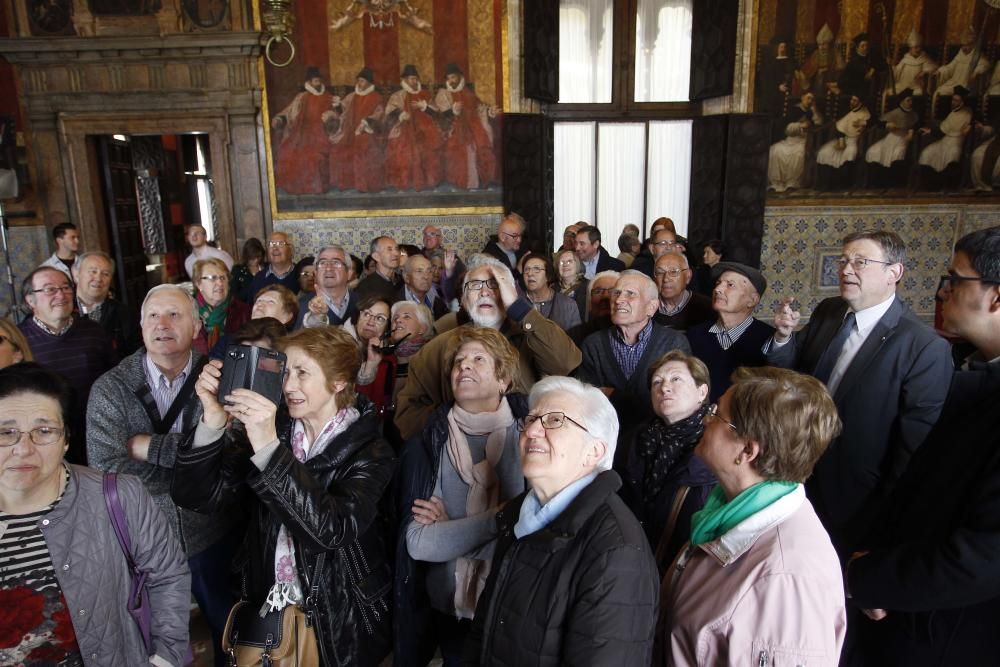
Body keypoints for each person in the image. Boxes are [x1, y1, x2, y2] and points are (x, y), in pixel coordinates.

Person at [172, 326, 396, 666]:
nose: (288, 386)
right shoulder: (273, 430)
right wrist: (212, 421)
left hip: (339, 615)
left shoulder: (371, 450)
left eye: (303, 373)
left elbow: (330, 531)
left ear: (338, 382)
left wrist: (267, 448)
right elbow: (198, 497)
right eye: (286, 371)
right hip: (270, 605)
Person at [846, 226, 1000, 665]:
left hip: (946, 633)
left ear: (996, 297)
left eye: (955, 279)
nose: (942, 291)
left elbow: (985, 554)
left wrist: (872, 577)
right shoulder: (977, 374)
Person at [767, 230, 952, 554]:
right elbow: (794, 369)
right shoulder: (829, 311)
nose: (846, 270)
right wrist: (783, 338)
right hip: (794, 478)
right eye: (844, 261)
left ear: (894, 272)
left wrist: (887, 529)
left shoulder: (923, 346)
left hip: (856, 503)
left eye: (860, 262)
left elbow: (912, 452)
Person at [0, 363, 191, 666]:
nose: (23, 448)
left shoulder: (119, 496)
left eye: (44, 431)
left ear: (66, 440)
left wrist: (165, 658)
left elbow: (167, 576)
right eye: (6, 432)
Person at [465, 376, 659, 664]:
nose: (531, 430)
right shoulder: (519, 515)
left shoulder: (617, 552)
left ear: (594, 452)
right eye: (531, 419)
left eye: (554, 420)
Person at [87, 284, 233, 666]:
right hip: (143, 538)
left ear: (197, 326)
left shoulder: (220, 380)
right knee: (155, 643)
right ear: (140, 325)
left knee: (228, 631)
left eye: (175, 315)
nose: (162, 324)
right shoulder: (110, 389)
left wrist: (148, 448)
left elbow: (230, 454)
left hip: (210, 533)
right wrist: (197, 454)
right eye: (153, 315)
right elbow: (109, 471)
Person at [664, 367, 846, 666]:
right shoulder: (728, 510)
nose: (705, 419)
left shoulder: (785, 582)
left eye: (715, 414)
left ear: (747, 449)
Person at [395, 327, 527, 666]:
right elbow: (420, 544)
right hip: (447, 607)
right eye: (458, 361)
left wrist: (450, 529)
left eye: (478, 359)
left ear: (503, 380)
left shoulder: (531, 434)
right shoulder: (428, 443)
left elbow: (530, 534)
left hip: (514, 604)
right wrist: (503, 516)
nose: (464, 367)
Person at [394, 254, 581, 440]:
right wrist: (457, 415)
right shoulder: (435, 349)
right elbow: (407, 417)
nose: (485, 292)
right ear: (465, 301)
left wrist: (520, 309)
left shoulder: (532, 337)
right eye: (475, 285)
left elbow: (565, 362)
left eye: (495, 285)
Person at [621, 351, 714, 570]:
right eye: (656, 382)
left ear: (702, 392)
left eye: (676, 379)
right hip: (633, 558)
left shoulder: (714, 445)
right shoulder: (634, 439)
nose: (664, 388)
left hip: (685, 566)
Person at [19, 267, 117, 464]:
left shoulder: (94, 331)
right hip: (45, 443)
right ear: (30, 300)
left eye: (65, 287)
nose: (61, 294)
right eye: (50, 290)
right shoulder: (20, 340)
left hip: (96, 434)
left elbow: (115, 379)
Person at [578, 271, 690, 441]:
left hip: (660, 443)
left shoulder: (674, 343)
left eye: (630, 294)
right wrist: (647, 399)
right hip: (607, 442)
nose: (618, 299)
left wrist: (615, 396)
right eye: (616, 293)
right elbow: (588, 403)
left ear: (651, 307)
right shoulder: (593, 345)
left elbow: (679, 405)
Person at [686, 262, 775, 401]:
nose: (718, 289)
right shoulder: (694, 335)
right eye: (718, 283)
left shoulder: (769, 339)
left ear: (752, 300)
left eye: (730, 285)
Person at [270, 66, 336, 195]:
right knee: (288, 151)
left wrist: (330, 116)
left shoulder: (328, 97)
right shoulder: (302, 97)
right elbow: (289, 111)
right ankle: (296, 187)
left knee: (312, 156)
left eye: (318, 81)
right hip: (300, 131)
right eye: (315, 81)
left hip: (320, 132)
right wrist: (279, 118)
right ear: (310, 82)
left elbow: (335, 115)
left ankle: (315, 188)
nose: (317, 83)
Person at [435, 63, 499, 190]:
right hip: (453, 127)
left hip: (474, 125)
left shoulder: (468, 93)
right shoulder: (443, 94)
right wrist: (454, 112)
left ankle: (481, 181)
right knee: (464, 147)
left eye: (453, 77)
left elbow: (480, 108)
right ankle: (468, 182)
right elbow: (440, 116)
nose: (450, 81)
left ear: (459, 77)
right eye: (448, 78)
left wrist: (490, 112)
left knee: (481, 143)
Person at [72, 250, 142, 356]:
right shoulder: (61, 311)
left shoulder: (126, 315)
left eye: (106, 274)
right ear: (76, 275)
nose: (98, 278)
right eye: (93, 271)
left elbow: (136, 356)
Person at [386, 64, 444, 191]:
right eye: (411, 78)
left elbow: (436, 112)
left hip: (426, 128)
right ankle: (407, 182)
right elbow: (389, 110)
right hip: (404, 127)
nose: (414, 81)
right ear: (405, 80)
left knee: (430, 147)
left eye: (415, 78)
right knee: (403, 148)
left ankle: (429, 181)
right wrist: (401, 114)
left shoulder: (425, 94)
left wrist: (424, 107)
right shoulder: (398, 95)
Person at [328, 67, 386, 193]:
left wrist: (365, 123)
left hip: (368, 132)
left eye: (362, 81)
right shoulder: (351, 96)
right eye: (358, 80)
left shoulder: (376, 97)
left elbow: (379, 115)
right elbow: (342, 112)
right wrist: (338, 105)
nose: (359, 83)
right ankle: (347, 184)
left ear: (369, 83)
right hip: (348, 132)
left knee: (363, 147)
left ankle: (364, 185)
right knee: (338, 150)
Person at [191, 258, 250, 355]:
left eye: (223, 278)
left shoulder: (244, 311)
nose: (219, 283)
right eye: (213, 278)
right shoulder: (188, 312)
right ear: (199, 284)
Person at [767, 91, 823, 193]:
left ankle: (792, 183)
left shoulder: (812, 111)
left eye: (812, 99)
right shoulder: (793, 110)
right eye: (808, 98)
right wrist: (800, 126)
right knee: (775, 150)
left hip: (803, 141)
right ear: (802, 98)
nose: (810, 101)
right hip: (790, 139)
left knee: (798, 154)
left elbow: (819, 123)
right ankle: (776, 183)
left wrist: (814, 110)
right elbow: (787, 129)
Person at [387, 301, 435, 412]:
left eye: (407, 317)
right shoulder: (383, 358)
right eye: (395, 318)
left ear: (422, 328)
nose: (398, 320)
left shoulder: (431, 359)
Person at [815, 94, 870, 189]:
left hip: (854, 141)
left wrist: (864, 123)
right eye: (851, 99)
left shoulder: (865, 113)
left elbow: (872, 123)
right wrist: (841, 140)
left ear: (860, 103)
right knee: (824, 152)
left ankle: (842, 185)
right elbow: (840, 129)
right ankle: (826, 184)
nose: (851, 102)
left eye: (855, 100)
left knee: (849, 155)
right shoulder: (849, 113)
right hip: (843, 140)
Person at [865, 89, 919, 187]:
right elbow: (879, 122)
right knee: (873, 151)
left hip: (903, 138)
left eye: (911, 101)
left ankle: (894, 183)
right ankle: (877, 183)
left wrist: (911, 132)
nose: (910, 103)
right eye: (908, 100)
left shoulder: (913, 115)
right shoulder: (894, 113)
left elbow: (915, 125)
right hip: (891, 138)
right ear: (902, 101)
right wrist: (887, 124)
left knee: (897, 155)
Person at [918, 87, 973, 181]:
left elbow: (969, 126)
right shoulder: (952, 113)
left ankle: (947, 183)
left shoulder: (968, 113)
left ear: (962, 102)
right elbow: (944, 129)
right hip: (945, 141)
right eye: (953, 100)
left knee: (951, 156)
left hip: (957, 142)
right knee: (927, 153)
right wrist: (930, 131)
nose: (953, 102)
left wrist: (970, 127)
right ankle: (931, 183)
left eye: (956, 100)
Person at [652, 252, 715, 333]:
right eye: (660, 272)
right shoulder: (645, 306)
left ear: (688, 276)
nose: (666, 279)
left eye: (674, 272)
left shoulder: (707, 307)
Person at [354, 297, 395, 415]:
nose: (370, 322)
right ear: (357, 317)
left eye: (380, 318)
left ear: (387, 328)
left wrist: (371, 364)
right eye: (366, 314)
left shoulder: (389, 358)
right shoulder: (338, 345)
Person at [521, 254, 581, 331]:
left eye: (537, 269)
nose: (530, 274)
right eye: (526, 269)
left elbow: (575, 338)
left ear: (548, 276)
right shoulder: (516, 303)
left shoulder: (568, 305)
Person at [933, 27, 989, 100]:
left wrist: (976, 72)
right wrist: (940, 71)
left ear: (972, 45)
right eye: (963, 45)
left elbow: (984, 64)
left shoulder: (976, 56)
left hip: (966, 86)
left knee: (946, 92)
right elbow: (950, 68)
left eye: (967, 45)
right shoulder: (960, 55)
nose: (964, 48)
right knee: (939, 91)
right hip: (954, 83)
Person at [246, 232, 299, 297]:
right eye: (271, 244)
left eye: (280, 244)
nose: (275, 248)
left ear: (291, 250)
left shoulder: (300, 276)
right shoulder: (259, 278)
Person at [398, 253, 449, 320]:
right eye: (419, 271)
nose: (426, 276)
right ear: (406, 277)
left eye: (429, 271)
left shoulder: (436, 301)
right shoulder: (397, 305)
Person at [356, 236, 402, 304]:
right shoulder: (367, 286)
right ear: (376, 256)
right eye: (389, 249)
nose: (396, 253)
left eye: (397, 249)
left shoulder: (401, 281)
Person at [890, 30, 936, 96]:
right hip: (902, 86)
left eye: (920, 47)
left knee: (918, 94)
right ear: (910, 49)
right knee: (891, 92)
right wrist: (892, 66)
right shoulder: (905, 60)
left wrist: (925, 72)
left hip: (916, 87)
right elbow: (897, 73)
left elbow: (933, 67)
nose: (918, 49)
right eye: (916, 47)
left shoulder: (924, 58)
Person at [555, 248, 588, 319]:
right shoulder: (552, 288)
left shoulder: (589, 287)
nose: (565, 265)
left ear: (578, 264)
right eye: (561, 262)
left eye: (569, 261)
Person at [231, 237, 265, 302]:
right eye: (252, 258)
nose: (256, 261)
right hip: (244, 309)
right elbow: (234, 295)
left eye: (258, 257)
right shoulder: (238, 270)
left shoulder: (267, 268)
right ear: (246, 256)